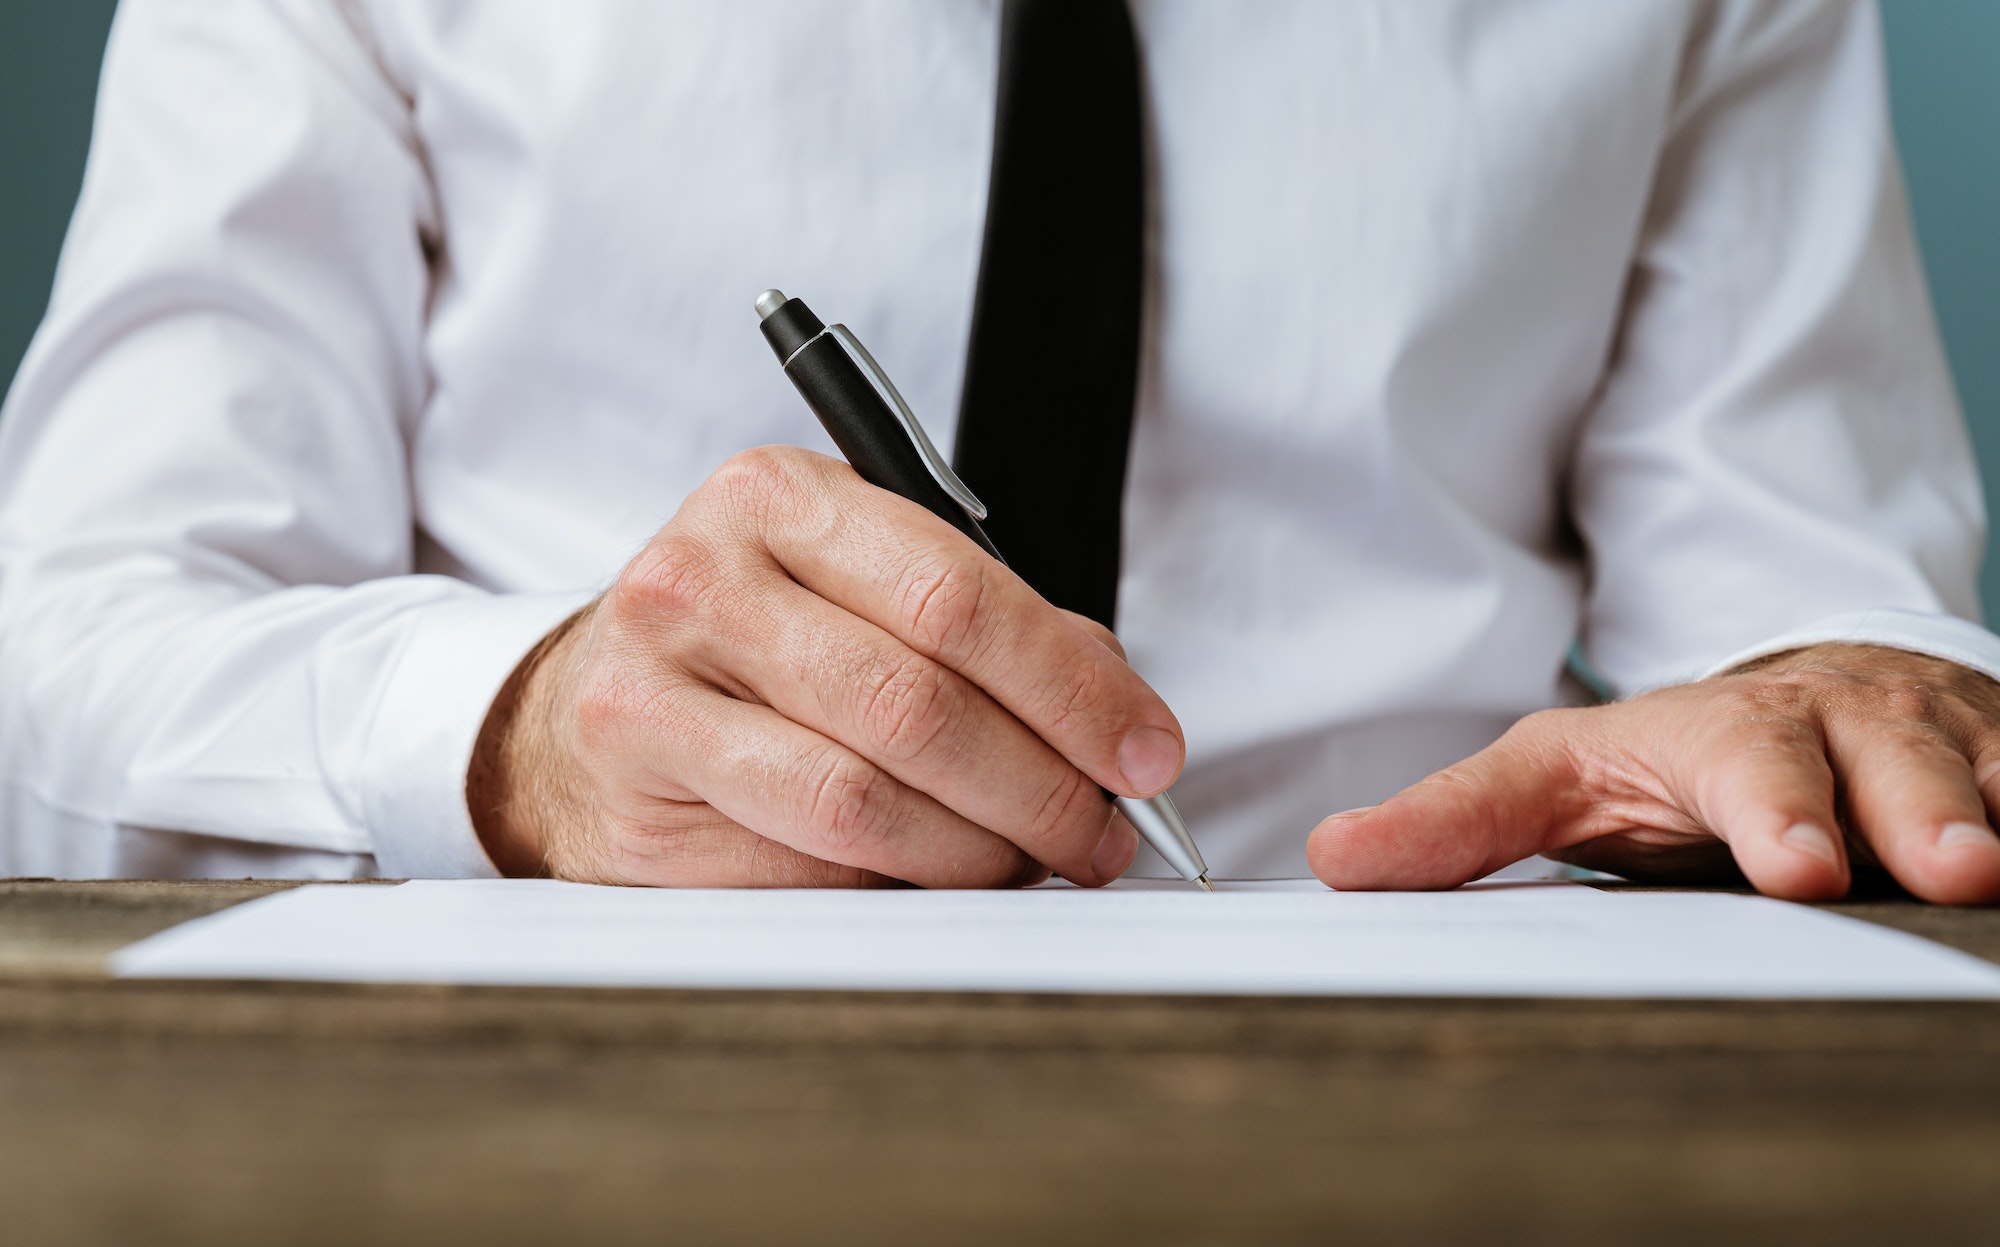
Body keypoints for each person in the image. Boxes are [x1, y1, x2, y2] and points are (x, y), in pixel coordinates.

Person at [2, 0, 1996, 905]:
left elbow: (1815, 606)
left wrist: (1839, 703)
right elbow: (63, 660)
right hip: (566, 1078)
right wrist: (513, 735)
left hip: (1427, 1072)